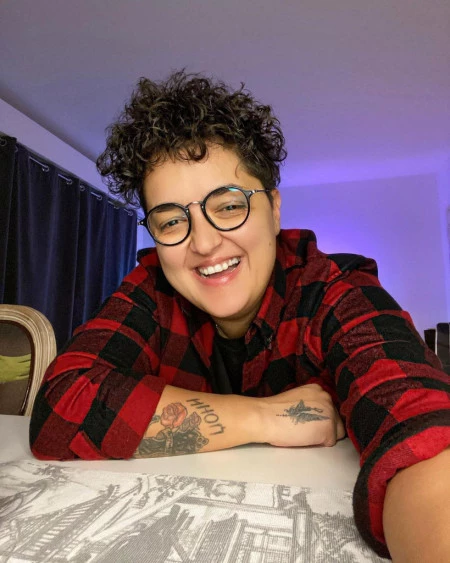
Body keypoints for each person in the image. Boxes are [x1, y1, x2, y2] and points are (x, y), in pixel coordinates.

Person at [30, 71, 450, 560]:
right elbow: (61, 407)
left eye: (229, 206)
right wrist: (267, 418)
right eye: (172, 220)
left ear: (274, 209)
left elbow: (420, 428)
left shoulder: (336, 290)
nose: (204, 243)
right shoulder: (151, 289)